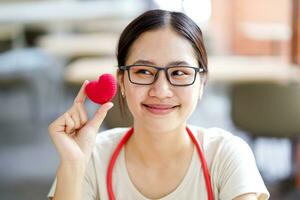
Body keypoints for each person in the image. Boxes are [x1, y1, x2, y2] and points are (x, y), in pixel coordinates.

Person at [47, 9, 270, 200]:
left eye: (179, 72)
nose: (161, 91)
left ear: (202, 82)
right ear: (121, 81)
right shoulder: (91, 156)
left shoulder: (226, 155)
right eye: (144, 71)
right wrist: (73, 166)